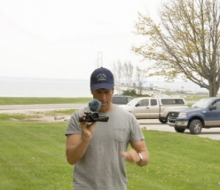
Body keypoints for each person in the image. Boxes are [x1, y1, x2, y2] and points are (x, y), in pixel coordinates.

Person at [65, 67, 149, 190]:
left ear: (113, 90)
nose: (103, 98)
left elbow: (144, 154)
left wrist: (139, 158)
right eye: (99, 92)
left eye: (106, 92)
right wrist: (86, 138)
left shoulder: (128, 118)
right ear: (91, 90)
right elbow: (71, 159)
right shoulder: (79, 117)